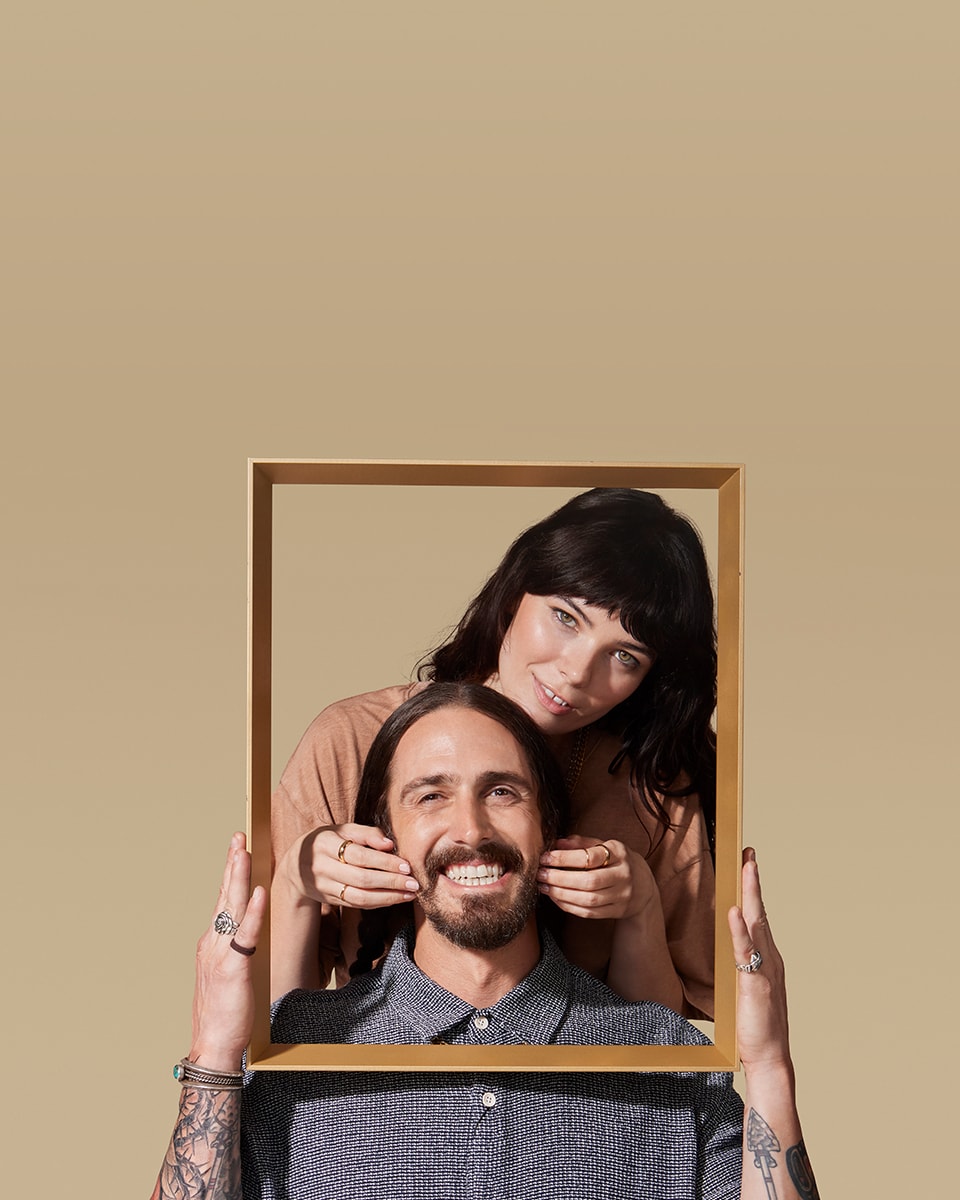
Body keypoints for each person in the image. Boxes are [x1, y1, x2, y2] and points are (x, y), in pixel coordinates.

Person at [152, 685, 819, 1200]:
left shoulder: (667, 1057)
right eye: (431, 796)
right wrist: (213, 1049)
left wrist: (767, 1064)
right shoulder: (290, 1049)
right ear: (385, 832)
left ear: (547, 823)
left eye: (502, 792)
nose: (469, 828)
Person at [271, 487, 718, 1016]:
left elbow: (665, 1050)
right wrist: (296, 884)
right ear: (514, 596)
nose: (577, 672)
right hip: (377, 1091)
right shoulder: (350, 739)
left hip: (577, 1097)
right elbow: (268, 1029)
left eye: (624, 655)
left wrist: (639, 905)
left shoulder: (652, 787)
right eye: (565, 618)